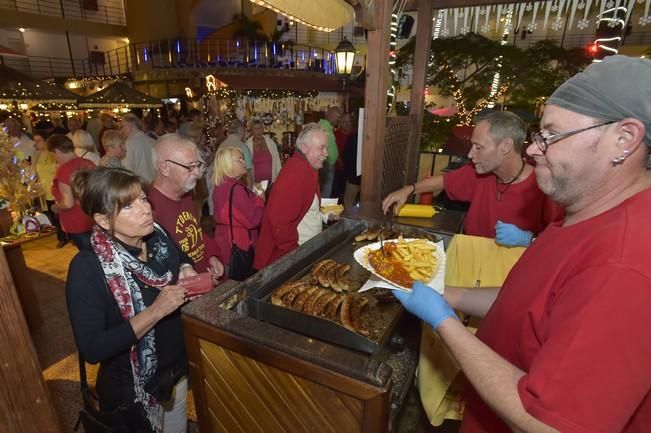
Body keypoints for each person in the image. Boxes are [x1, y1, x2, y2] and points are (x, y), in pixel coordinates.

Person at [393, 55, 651, 433]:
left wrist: (445, 323)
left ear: (624, 140)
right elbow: (531, 305)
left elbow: (553, 425)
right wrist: (451, 295)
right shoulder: (583, 211)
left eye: (551, 135)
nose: (531, 150)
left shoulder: (624, 266)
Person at [66, 167, 194, 433]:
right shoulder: (88, 267)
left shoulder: (157, 234)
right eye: (128, 205)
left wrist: (185, 267)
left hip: (176, 374)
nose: (145, 209)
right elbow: (93, 348)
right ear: (102, 219)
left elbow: (180, 257)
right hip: (133, 393)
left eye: (143, 199)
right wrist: (156, 311)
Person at [382, 111, 561, 246]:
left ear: (505, 146)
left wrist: (529, 239)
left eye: (478, 147)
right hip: (468, 255)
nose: (470, 154)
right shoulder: (480, 173)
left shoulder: (544, 187)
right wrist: (408, 190)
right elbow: (443, 181)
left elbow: (558, 244)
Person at [148, 133, 224, 280]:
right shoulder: (150, 209)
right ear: (165, 168)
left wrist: (212, 255)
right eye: (189, 167)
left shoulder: (185, 194)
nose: (196, 173)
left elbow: (195, 234)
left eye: (197, 165)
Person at [254, 123, 328, 269]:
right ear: (304, 148)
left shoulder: (308, 168)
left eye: (326, 148)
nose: (326, 153)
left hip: (304, 251)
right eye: (321, 148)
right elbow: (279, 222)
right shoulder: (295, 173)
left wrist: (324, 217)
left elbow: (307, 209)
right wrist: (294, 255)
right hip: (290, 258)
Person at [212, 146, 265, 276]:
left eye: (243, 158)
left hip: (227, 243)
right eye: (239, 159)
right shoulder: (234, 189)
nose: (244, 162)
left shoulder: (222, 186)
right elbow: (253, 220)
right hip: (239, 246)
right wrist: (260, 199)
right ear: (227, 164)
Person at [48, 134, 95, 250]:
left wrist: (55, 207)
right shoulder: (89, 163)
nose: (54, 157)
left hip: (76, 221)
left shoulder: (64, 169)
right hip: (92, 216)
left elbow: (68, 203)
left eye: (53, 154)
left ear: (57, 151)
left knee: (89, 257)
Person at [32, 130, 68, 248]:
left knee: (62, 213)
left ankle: (69, 235)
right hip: (44, 190)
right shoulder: (36, 155)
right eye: (35, 141)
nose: (35, 143)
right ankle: (61, 236)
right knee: (52, 215)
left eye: (38, 141)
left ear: (46, 141)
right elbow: (35, 173)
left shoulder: (53, 155)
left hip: (56, 188)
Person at [122, 112, 156, 184]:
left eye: (123, 126)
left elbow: (128, 169)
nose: (122, 130)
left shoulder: (129, 143)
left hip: (140, 184)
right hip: (154, 183)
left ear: (129, 126)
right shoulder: (152, 140)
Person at [245, 119, 282, 185]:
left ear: (263, 129)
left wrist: (279, 181)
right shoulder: (247, 145)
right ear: (251, 131)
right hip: (255, 184)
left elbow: (277, 163)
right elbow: (246, 168)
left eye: (260, 128)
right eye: (255, 128)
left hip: (271, 183)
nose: (258, 130)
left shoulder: (271, 143)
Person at [318, 106, 342, 198]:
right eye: (337, 116)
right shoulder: (323, 126)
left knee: (326, 192)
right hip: (325, 165)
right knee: (324, 194)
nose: (338, 119)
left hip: (327, 165)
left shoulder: (327, 126)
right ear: (331, 115)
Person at [221, 119, 253, 186]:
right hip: (239, 186)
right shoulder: (242, 147)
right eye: (245, 130)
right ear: (241, 130)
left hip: (223, 185)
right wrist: (250, 193)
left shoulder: (221, 146)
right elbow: (247, 173)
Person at [332, 112, 353, 199]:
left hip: (352, 173)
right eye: (344, 121)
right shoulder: (335, 135)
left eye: (349, 121)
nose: (346, 124)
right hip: (338, 172)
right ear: (340, 122)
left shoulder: (356, 135)